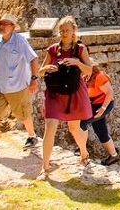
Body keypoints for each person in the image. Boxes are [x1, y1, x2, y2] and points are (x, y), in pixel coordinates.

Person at [36, 15, 93, 180]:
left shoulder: (80, 49)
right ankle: (44, 167)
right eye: (61, 31)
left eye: (67, 30)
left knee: (74, 128)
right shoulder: (53, 49)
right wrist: (47, 67)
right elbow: (40, 72)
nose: (64, 33)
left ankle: (84, 152)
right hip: (54, 93)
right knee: (50, 128)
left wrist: (77, 63)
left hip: (73, 93)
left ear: (73, 30)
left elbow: (89, 70)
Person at [0, 14, 40, 159]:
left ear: (12, 27)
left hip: (16, 85)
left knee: (23, 114)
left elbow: (33, 58)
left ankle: (32, 136)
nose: (2, 26)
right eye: (1, 23)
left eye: (5, 24)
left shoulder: (20, 41)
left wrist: (34, 79)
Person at [79, 61, 120, 166]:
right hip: (94, 105)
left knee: (82, 123)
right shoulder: (85, 77)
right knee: (101, 132)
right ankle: (114, 156)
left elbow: (109, 93)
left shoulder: (99, 77)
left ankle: (82, 150)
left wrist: (103, 108)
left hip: (104, 105)